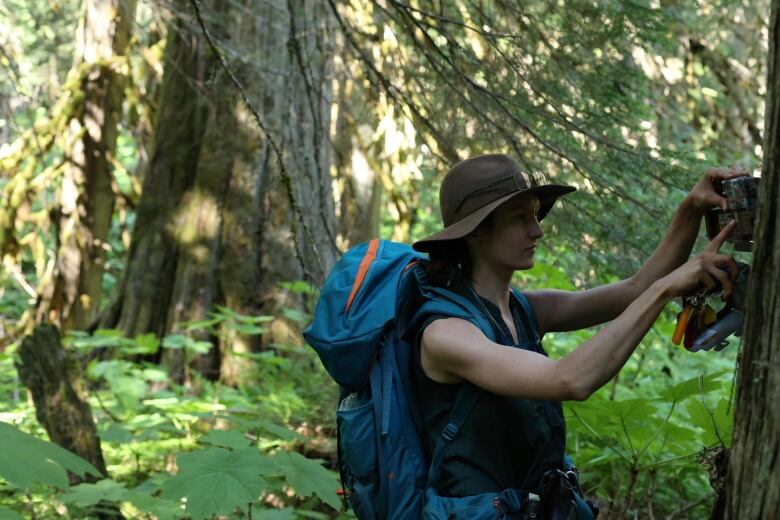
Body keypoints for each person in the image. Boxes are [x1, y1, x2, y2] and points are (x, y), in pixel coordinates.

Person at [409, 153, 745, 516]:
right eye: (520, 218)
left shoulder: (524, 310)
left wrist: (692, 207)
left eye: (535, 214)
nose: (536, 230)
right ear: (475, 232)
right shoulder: (446, 333)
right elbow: (570, 379)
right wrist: (665, 290)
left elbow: (634, 289)